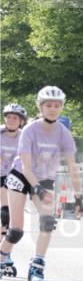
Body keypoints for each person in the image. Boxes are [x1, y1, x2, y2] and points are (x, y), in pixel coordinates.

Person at [0, 86, 83, 281]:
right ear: (40, 107)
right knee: (15, 231)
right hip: (21, 176)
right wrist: (36, 189)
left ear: (61, 107)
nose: (53, 109)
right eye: (48, 105)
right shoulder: (30, 130)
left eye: (57, 105)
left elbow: (73, 168)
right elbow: (26, 167)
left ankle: (37, 266)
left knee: (48, 222)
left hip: (45, 179)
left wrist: (79, 197)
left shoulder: (64, 134)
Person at [1, 103, 29, 243]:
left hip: (14, 176)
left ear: (21, 121)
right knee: (5, 213)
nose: (11, 120)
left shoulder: (25, 137)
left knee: (7, 215)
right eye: (9, 117)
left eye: (15, 118)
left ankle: (3, 249)